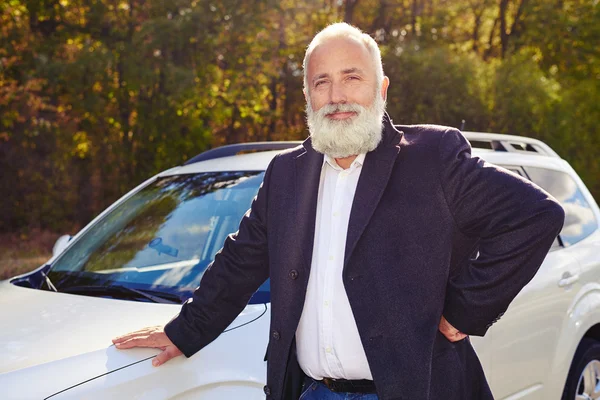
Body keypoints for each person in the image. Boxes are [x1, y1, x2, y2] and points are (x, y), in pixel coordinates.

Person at [112, 22, 565, 400]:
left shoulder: (433, 157)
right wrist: (182, 331)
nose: (336, 95)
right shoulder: (287, 173)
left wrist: (464, 309)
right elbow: (239, 262)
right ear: (308, 96)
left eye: (352, 77)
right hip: (313, 391)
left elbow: (535, 216)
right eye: (321, 82)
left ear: (381, 88)